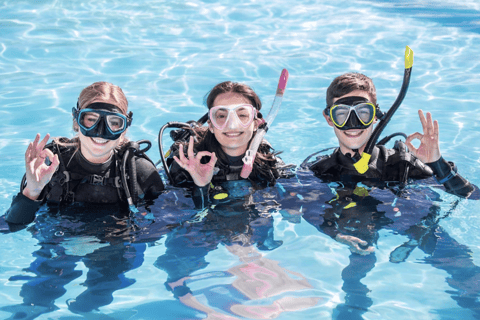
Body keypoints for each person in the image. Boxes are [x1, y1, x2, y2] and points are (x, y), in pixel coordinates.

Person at [4, 81, 164, 225]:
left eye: (114, 123)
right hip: (60, 242)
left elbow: (168, 222)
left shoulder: (139, 171)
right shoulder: (51, 165)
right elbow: (11, 225)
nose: (100, 132)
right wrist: (32, 190)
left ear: (124, 129)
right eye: (91, 120)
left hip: (117, 243)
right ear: (76, 121)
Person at [307, 72, 475, 198]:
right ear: (329, 118)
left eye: (363, 113)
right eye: (342, 114)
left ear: (375, 117)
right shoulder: (318, 172)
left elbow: (471, 196)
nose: (353, 124)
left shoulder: (402, 166)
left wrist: (438, 164)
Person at [168, 81, 290, 208]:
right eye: (221, 116)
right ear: (210, 125)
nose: (232, 125)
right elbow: (177, 216)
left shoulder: (269, 164)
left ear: (256, 123)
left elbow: (296, 206)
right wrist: (201, 186)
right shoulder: (189, 162)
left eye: (242, 115)